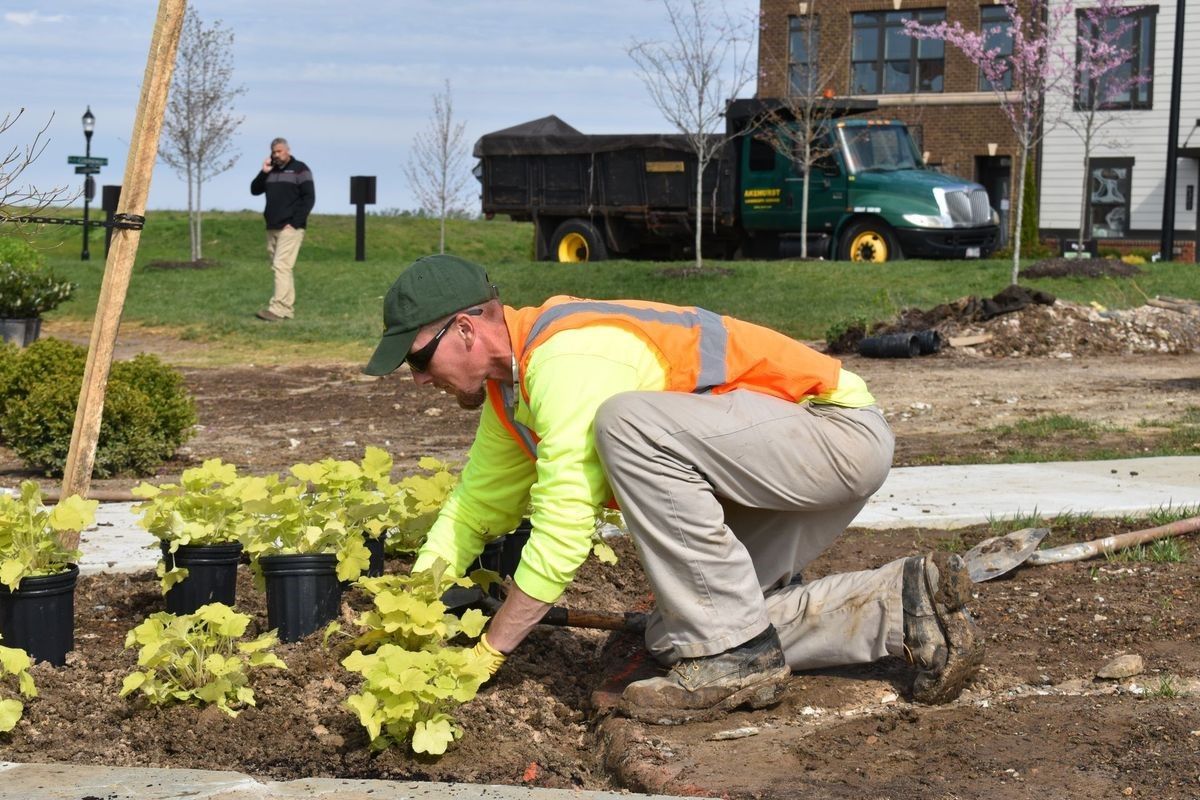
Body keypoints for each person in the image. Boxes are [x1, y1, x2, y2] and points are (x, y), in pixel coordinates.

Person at [364, 254, 984, 724]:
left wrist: (489, 652)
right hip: (768, 469)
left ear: (467, 330)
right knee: (683, 634)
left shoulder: (568, 359)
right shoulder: (512, 396)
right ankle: (901, 605)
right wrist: (407, 612)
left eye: (418, 360)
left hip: (833, 435)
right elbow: (471, 510)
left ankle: (738, 659)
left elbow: (562, 529)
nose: (418, 381)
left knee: (624, 424)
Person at [250, 137, 315, 321]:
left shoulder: (300, 169)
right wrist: (264, 172)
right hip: (272, 226)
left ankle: (277, 309)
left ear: (288, 150)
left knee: (281, 266)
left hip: (290, 228)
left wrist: (295, 223)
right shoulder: (271, 171)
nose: (276, 154)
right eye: (273, 152)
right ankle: (287, 309)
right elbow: (254, 190)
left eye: (279, 151)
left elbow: (309, 198)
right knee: (282, 268)